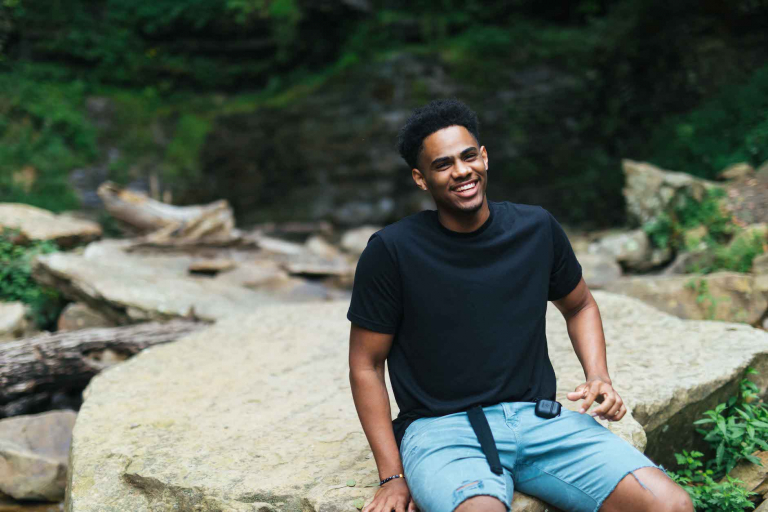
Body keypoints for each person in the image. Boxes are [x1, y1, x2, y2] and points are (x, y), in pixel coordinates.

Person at [347, 98, 693, 512]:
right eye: (443, 165)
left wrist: (598, 376)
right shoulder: (392, 251)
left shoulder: (536, 228)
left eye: (468, 156)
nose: (461, 171)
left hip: (542, 421)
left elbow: (580, 305)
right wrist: (392, 476)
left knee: (670, 505)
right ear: (421, 178)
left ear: (484, 157)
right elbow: (366, 365)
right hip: (442, 431)